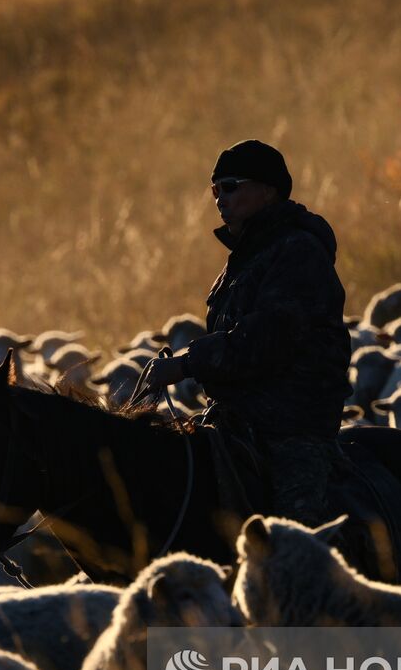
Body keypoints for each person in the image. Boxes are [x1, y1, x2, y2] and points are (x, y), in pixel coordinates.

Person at [140, 139, 352, 526]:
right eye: (215, 189)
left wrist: (187, 365)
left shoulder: (297, 251)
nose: (220, 198)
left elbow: (265, 340)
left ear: (268, 190)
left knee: (296, 544)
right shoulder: (243, 261)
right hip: (237, 422)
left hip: (293, 425)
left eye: (232, 186)